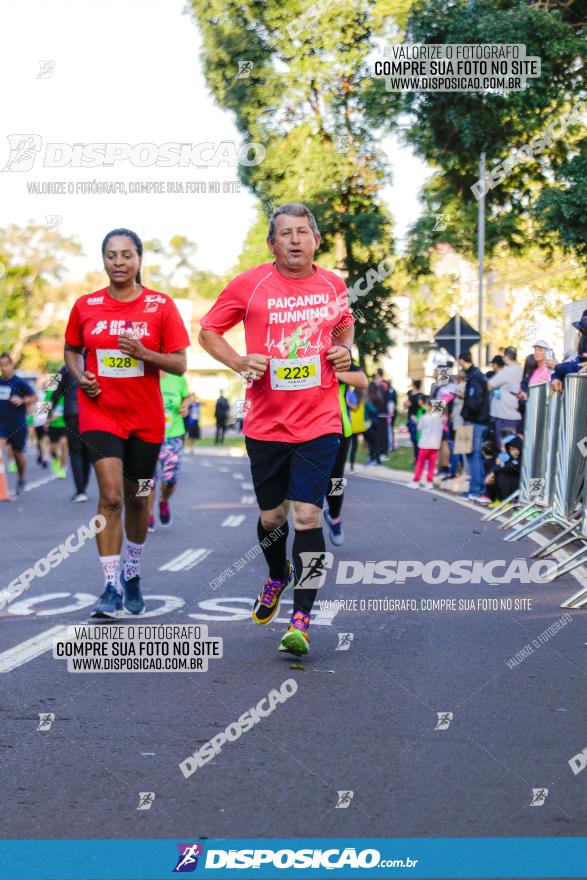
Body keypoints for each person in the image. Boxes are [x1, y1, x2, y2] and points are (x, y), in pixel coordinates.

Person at [198, 202, 353, 656]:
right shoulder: (251, 284)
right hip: (265, 423)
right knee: (272, 517)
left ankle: (302, 617)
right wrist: (239, 361)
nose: (294, 240)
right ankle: (277, 575)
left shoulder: (333, 284)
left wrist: (343, 353)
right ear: (272, 243)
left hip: (319, 420)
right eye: (285, 233)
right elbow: (208, 331)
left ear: (316, 239)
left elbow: (344, 328)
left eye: (303, 231)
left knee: (307, 514)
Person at [64, 228, 189, 618]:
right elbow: (72, 350)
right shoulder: (86, 306)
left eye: (126, 255)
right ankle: (109, 585)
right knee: (112, 496)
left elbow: (180, 362)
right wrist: (80, 374)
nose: (119, 263)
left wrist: (144, 352)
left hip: (146, 418)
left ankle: (132, 572)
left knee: (139, 498)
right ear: (103, 260)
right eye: (111, 256)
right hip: (99, 411)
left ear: (138, 259)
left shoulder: (160, 305)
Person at [324, 361, 368, 545]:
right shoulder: (296, 349)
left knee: (335, 481)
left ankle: (334, 517)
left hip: (339, 429)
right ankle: (307, 527)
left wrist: (331, 374)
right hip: (303, 429)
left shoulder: (338, 354)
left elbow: (362, 380)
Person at [147, 371, 190, 531]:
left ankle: (164, 500)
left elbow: (187, 396)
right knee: (147, 479)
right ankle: (147, 512)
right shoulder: (143, 374)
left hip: (173, 436)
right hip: (146, 435)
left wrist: (186, 404)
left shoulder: (177, 377)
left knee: (170, 480)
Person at [49, 365, 92, 501]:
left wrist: (49, 412)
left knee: (75, 452)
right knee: (86, 453)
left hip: (72, 413)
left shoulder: (66, 368)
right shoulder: (93, 363)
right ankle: (83, 487)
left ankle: (80, 491)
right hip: (91, 413)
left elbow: (55, 392)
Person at [0, 352, 36, 495]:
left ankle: (22, 478)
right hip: (1, 423)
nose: (4, 368)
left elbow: (34, 396)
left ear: (11, 365)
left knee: (18, 453)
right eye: (1, 365)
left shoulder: (19, 382)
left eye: (6, 365)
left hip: (17, 424)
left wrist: (22, 400)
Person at [458, 349, 490, 504]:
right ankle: (477, 489)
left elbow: (474, 401)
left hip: (473, 421)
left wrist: (468, 413)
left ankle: (475, 490)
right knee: (474, 456)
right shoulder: (477, 375)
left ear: (462, 361)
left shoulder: (474, 377)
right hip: (478, 421)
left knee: (473, 456)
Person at [488, 346, 523, 443]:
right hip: (514, 413)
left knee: (503, 446)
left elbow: (489, 385)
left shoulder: (507, 371)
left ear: (506, 357)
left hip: (504, 414)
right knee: (511, 446)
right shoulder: (520, 369)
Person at [409, 397, 443, 488]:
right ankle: (429, 482)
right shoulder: (440, 418)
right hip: (435, 445)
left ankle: (416, 481)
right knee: (432, 465)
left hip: (425, 444)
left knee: (420, 463)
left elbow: (419, 429)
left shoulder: (424, 417)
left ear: (429, 406)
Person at [485, 436, 522, 504]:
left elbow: (509, 468)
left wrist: (494, 473)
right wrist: (492, 474)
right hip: (516, 485)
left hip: (521, 487)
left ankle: (508, 501)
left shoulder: (522, 459)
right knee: (493, 478)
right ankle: (497, 499)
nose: (514, 452)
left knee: (501, 477)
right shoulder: (508, 458)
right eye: (511, 450)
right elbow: (499, 467)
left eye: (515, 449)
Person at [45, 386, 68, 479]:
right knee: (53, 449)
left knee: (63, 446)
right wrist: (49, 417)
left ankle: (62, 469)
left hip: (65, 424)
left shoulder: (68, 392)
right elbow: (45, 407)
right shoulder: (50, 392)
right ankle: (55, 459)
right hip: (53, 425)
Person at [364, 381, 385, 466]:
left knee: (371, 442)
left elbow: (373, 410)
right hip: (378, 421)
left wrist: (367, 405)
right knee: (375, 441)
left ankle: (374, 459)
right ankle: (377, 459)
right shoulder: (379, 397)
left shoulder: (369, 398)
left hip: (370, 422)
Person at [346, 384, 367, 472]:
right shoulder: (357, 397)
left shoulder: (350, 394)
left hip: (349, 424)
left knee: (348, 446)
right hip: (355, 425)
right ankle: (351, 465)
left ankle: (350, 465)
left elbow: (354, 407)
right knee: (354, 446)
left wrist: (347, 402)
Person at [405, 379, 422, 462]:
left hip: (413, 420)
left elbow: (406, 405)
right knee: (420, 440)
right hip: (421, 419)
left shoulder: (412, 396)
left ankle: (417, 458)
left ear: (414, 386)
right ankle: (419, 458)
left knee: (415, 441)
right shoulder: (422, 396)